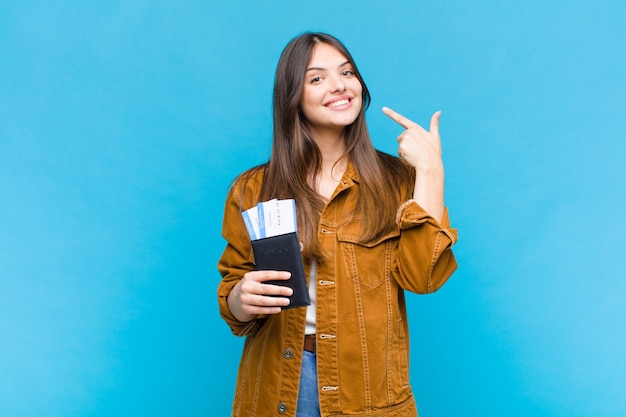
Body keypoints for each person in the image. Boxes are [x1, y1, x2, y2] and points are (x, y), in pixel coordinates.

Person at [217, 32, 458, 417]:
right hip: (278, 388)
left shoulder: (398, 181)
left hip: (366, 395)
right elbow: (234, 298)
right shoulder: (252, 189)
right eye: (317, 78)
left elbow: (424, 278)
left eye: (346, 72)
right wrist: (240, 299)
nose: (339, 85)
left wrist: (430, 171)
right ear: (292, 97)